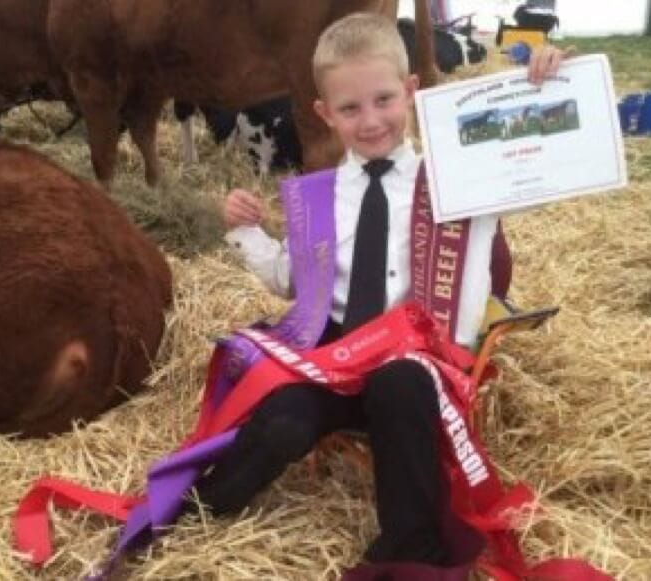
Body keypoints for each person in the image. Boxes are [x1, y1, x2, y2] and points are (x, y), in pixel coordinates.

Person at [195, 12, 567, 574]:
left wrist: (541, 87)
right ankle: (194, 513)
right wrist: (245, 231)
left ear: (411, 91)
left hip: (421, 361)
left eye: (384, 100)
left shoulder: (459, 179)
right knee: (284, 418)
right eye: (349, 108)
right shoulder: (316, 196)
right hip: (339, 358)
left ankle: (412, 551)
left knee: (397, 386)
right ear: (324, 113)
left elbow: (543, 168)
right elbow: (290, 280)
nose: (370, 121)